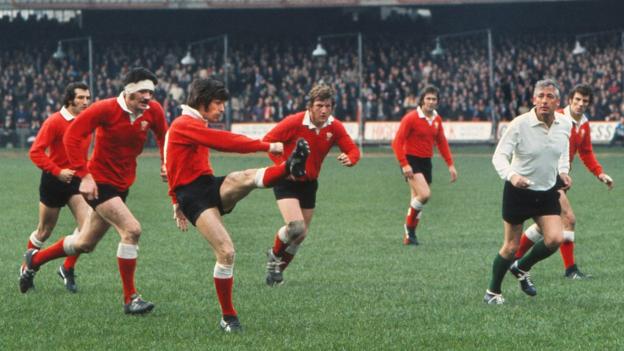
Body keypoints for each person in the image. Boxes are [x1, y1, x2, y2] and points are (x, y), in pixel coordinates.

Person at [19, 67, 168, 315]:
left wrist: (166, 162)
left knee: (85, 243)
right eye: (142, 92)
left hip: (122, 184)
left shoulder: (153, 111)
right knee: (131, 230)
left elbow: (165, 135)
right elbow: (72, 138)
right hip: (99, 183)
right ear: (128, 91)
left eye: (151, 92)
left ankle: (35, 260)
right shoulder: (105, 109)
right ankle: (130, 298)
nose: (148, 98)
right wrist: (85, 175)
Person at [165, 78, 310, 332]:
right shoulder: (183, 124)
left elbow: (169, 162)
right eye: (218, 103)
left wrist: (172, 200)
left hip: (207, 184)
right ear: (202, 102)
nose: (222, 108)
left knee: (241, 177)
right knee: (227, 252)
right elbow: (225, 142)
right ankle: (228, 317)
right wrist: (269, 145)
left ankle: (288, 168)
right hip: (193, 196)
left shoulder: (192, 123)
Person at [261, 83, 360, 287]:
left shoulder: (335, 127)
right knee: (295, 227)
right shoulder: (294, 122)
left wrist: (351, 159)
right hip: (286, 181)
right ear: (310, 106)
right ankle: (274, 255)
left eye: (328, 106)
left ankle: (276, 271)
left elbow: (353, 150)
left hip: (309, 184)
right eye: (319, 105)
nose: (324, 110)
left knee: (301, 235)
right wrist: (283, 167)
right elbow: (268, 141)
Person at [484, 79, 573, 305]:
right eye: (541, 96)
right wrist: (512, 176)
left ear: (557, 101)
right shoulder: (519, 124)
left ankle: (522, 267)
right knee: (511, 246)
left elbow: (563, 150)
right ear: (534, 100)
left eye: (550, 96)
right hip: (518, 192)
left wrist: (563, 171)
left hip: (546, 191)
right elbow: (499, 156)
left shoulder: (564, 124)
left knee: (555, 239)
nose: (545, 100)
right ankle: (492, 292)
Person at [514, 84, 614, 279]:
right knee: (568, 219)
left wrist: (600, 174)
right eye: (577, 100)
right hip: (548, 177)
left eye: (585, 101)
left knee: (543, 226)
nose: (580, 104)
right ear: (569, 100)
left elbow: (586, 153)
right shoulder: (556, 117)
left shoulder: (583, 124)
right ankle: (570, 270)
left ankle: (514, 258)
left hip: (560, 179)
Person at [26, 82, 92, 293]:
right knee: (44, 231)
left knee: (86, 229)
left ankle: (67, 268)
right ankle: (27, 269)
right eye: (81, 98)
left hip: (76, 182)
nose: (85, 102)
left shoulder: (86, 122)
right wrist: (57, 171)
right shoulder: (54, 121)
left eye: (88, 98)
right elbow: (35, 152)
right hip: (54, 181)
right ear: (69, 99)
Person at [391, 85, 457, 246]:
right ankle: (409, 227)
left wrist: (450, 165)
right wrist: (404, 164)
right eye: (428, 98)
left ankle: (409, 237)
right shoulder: (411, 118)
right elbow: (397, 142)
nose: (431, 102)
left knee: (416, 198)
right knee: (425, 194)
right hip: (411, 160)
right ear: (421, 100)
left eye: (434, 99)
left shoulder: (436, 119)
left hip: (426, 161)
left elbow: (441, 142)